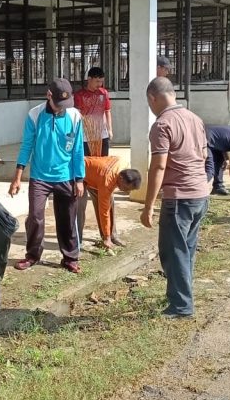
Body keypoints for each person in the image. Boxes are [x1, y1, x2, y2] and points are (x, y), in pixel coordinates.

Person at [140, 77, 212, 317]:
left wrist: (148, 206)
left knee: (173, 252)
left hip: (179, 197)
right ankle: (181, 297)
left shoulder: (162, 125)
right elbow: (204, 156)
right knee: (186, 250)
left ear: (152, 98)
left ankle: (181, 305)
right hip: (200, 194)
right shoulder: (195, 118)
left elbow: (159, 167)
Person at [9, 78, 86, 273]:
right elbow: (26, 146)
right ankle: (32, 255)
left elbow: (78, 149)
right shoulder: (34, 115)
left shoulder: (75, 116)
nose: (61, 107)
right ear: (49, 95)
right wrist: (17, 177)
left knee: (68, 218)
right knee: (35, 217)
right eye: (58, 103)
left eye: (65, 103)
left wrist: (79, 179)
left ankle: (70, 258)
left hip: (66, 176)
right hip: (40, 177)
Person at [76, 155, 142, 249]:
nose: (127, 191)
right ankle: (77, 241)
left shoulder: (123, 163)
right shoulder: (107, 182)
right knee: (79, 207)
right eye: (126, 188)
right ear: (121, 178)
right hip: (78, 173)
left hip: (96, 176)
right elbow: (104, 212)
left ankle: (111, 236)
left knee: (110, 203)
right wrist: (107, 237)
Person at [74, 66, 113, 157]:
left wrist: (110, 130)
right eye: (97, 81)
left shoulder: (104, 93)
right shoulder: (79, 95)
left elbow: (107, 111)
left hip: (102, 134)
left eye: (101, 82)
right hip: (85, 135)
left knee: (102, 161)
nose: (99, 84)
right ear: (89, 79)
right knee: (87, 161)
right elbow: (76, 115)